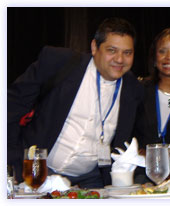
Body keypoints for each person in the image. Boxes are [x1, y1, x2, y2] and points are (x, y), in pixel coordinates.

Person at [7, 17, 144, 188]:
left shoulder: (134, 89)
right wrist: (13, 159)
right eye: (112, 50)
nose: (119, 59)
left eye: (127, 52)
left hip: (93, 180)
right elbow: (9, 107)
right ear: (95, 47)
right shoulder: (59, 63)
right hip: (40, 172)